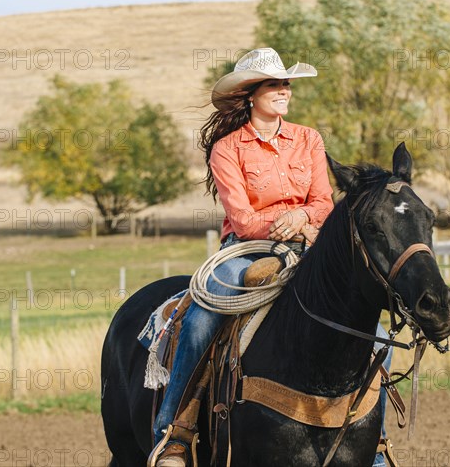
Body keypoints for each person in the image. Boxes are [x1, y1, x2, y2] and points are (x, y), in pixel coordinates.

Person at [153, 48, 390, 467]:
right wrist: (292, 218)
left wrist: (301, 216)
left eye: (287, 84)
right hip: (247, 251)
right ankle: (176, 430)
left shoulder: (308, 139)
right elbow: (243, 219)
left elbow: (322, 201)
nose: (285, 91)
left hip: (308, 245)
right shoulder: (227, 149)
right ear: (251, 94)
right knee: (200, 319)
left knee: (375, 337)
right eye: (275, 85)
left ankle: (375, 444)